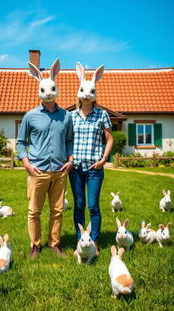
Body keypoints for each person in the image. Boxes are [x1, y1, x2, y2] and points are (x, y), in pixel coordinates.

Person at [17, 59, 73, 259]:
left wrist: (71, 158)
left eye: (51, 89)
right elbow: (21, 143)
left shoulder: (66, 116)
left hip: (59, 171)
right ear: (39, 89)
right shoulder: (30, 116)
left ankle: (54, 244)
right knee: (34, 212)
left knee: (57, 211)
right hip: (37, 171)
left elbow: (69, 141)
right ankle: (35, 245)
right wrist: (27, 165)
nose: (48, 93)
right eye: (44, 89)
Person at [69, 62, 114, 255]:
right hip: (76, 168)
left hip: (95, 168)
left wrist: (104, 159)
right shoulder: (70, 116)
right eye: (83, 91)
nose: (87, 95)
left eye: (91, 91)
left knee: (93, 205)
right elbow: (66, 140)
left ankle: (94, 242)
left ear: (95, 93)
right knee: (79, 204)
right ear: (79, 92)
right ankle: (81, 242)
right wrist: (69, 158)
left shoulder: (102, 114)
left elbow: (110, 138)